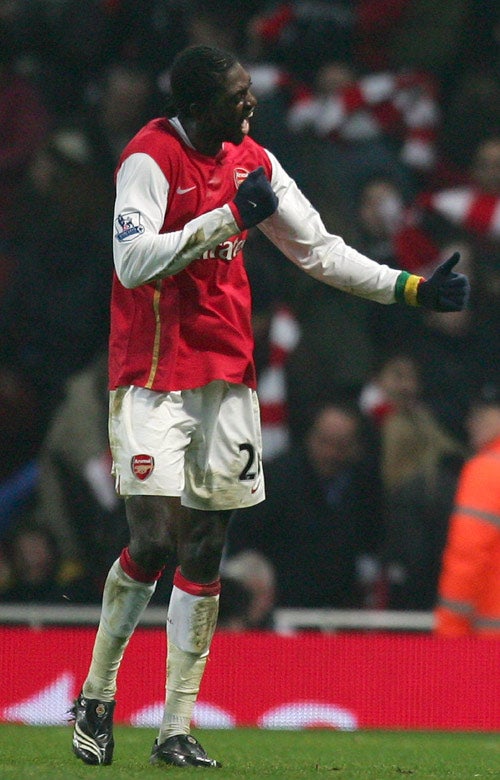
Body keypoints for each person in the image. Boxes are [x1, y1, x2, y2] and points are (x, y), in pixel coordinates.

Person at [71, 44, 469, 770]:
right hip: (154, 376)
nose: (250, 106)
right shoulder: (148, 159)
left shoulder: (254, 160)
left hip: (228, 377)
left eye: (249, 93)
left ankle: (176, 727)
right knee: (154, 538)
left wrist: (408, 289)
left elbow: (318, 250)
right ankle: (97, 694)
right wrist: (226, 220)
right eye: (237, 96)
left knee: (205, 549)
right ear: (197, 107)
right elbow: (132, 262)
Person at [225, 403, 384, 610]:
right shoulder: (276, 480)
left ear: (355, 447)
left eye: (340, 446)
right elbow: (243, 542)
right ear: (310, 436)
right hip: (281, 608)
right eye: (324, 442)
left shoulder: (365, 486)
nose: (330, 454)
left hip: (343, 610)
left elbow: (373, 543)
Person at [434, 384, 500, 636]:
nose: (470, 423)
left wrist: (450, 630)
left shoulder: (487, 470)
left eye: (480, 414)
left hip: (489, 642)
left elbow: (467, 556)